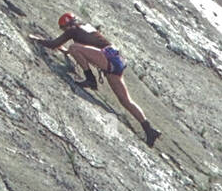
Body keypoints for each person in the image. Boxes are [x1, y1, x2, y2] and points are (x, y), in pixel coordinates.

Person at [30, 12, 161, 146]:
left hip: (107, 58)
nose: (64, 31)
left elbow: (56, 44)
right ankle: (149, 129)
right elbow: (88, 46)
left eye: (63, 29)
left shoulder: (73, 30)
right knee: (125, 100)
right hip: (115, 59)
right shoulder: (85, 27)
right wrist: (66, 51)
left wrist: (37, 39)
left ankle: (90, 79)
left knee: (73, 47)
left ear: (67, 26)